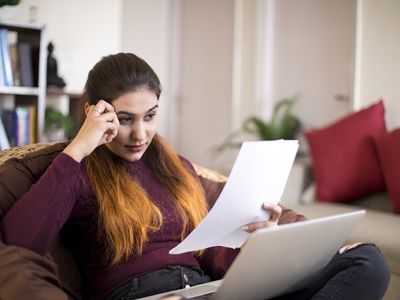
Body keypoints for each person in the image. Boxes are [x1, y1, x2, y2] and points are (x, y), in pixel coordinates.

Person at [0, 53, 389, 300]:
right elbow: (21, 241)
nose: (140, 135)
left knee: (367, 261)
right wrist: (79, 148)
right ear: (94, 113)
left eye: (150, 116)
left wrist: (267, 246)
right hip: (144, 294)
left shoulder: (176, 167)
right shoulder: (78, 171)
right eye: (124, 120)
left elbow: (212, 252)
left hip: (208, 290)